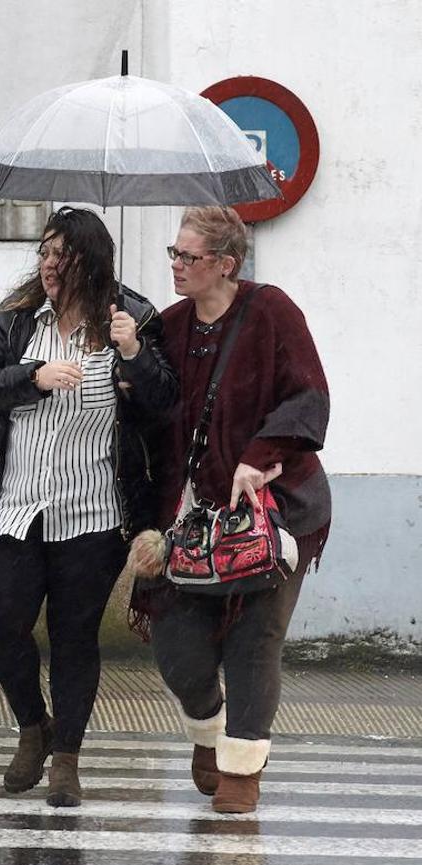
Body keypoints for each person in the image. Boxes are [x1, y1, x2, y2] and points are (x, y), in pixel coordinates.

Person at [0, 206, 178, 807]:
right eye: (45, 252)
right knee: (3, 625)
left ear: (92, 261)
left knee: (74, 637)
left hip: (93, 513)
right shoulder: (18, 318)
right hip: (14, 506)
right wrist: (32, 377)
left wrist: (135, 354)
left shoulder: (133, 318)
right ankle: (34, 727)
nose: (49, 265)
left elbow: (164, 404)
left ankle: (67, 760)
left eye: (62, 255)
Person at [129, 206, 330, 814]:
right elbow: (150, 413)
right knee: (176, 645)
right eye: (174, 253)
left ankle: (242, 767)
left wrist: (258, 456)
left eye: (188, 256)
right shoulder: (168, 327)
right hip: (187, 521)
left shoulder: (272, 312)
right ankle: (207, 727)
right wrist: (131, 362)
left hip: (270, 512)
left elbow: (308, 396)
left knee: (254, 638)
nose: (176, 265)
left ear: (225, 263)